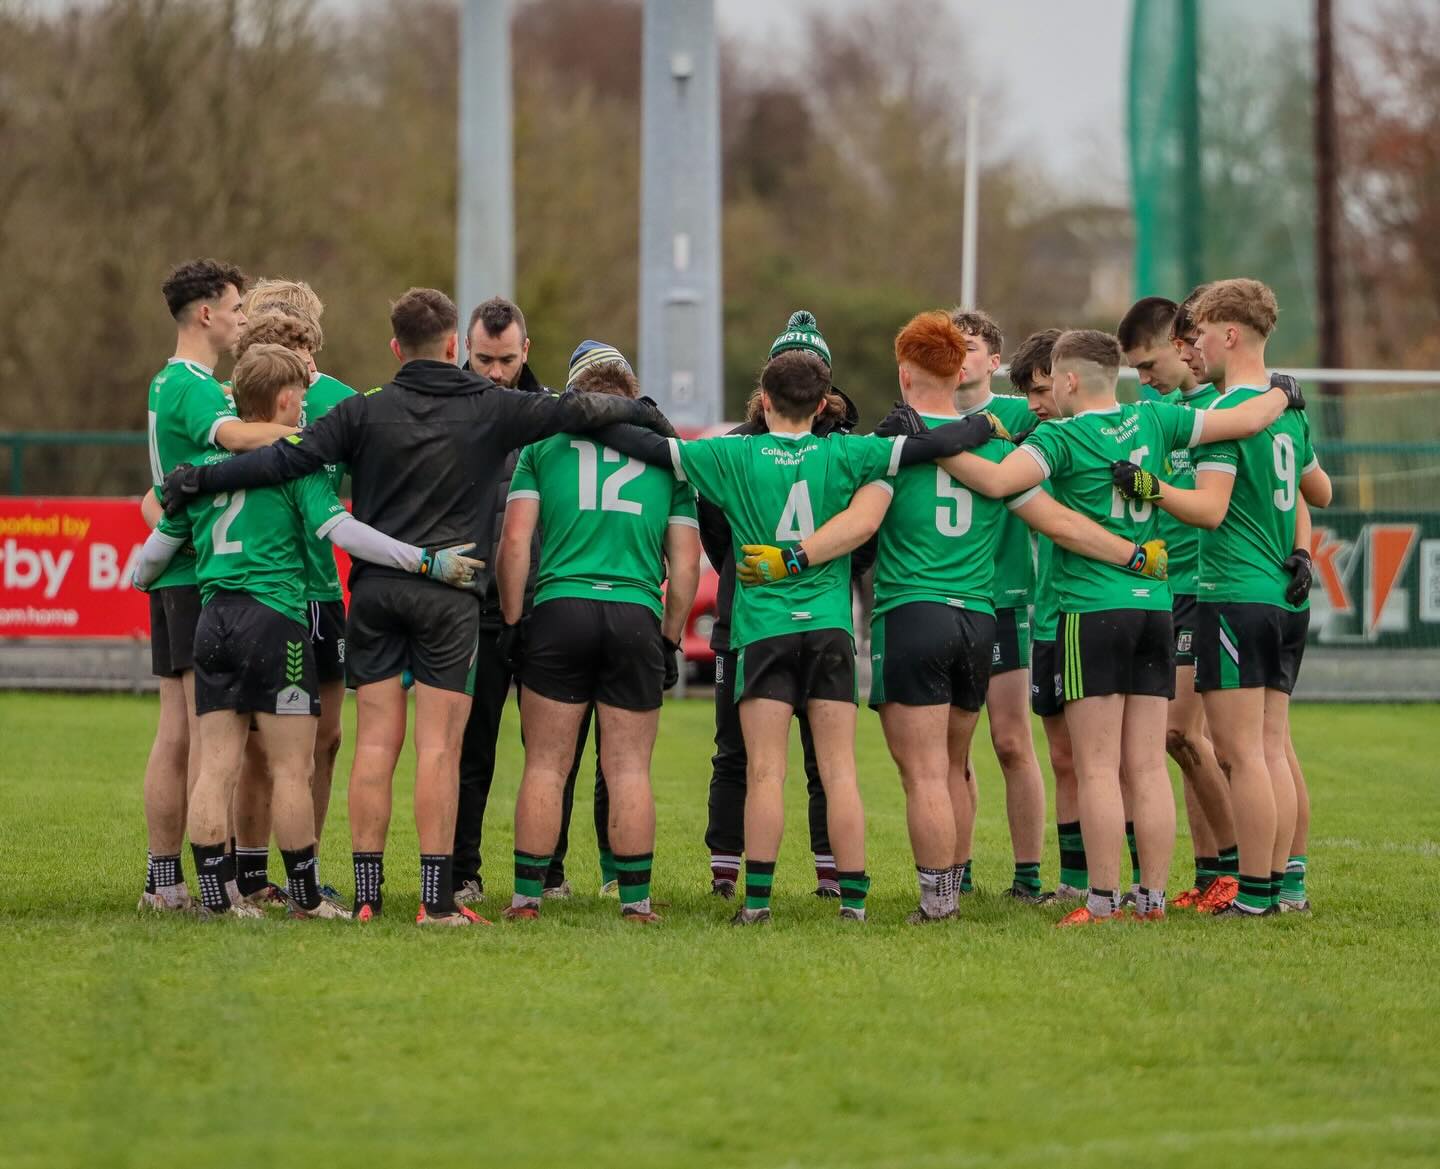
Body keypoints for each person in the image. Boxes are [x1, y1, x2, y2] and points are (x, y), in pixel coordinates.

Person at [161, 287, 673, 926]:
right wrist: (652, 421)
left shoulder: (361, 410)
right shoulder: (495, 406)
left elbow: (285, 459)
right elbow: (581, 410)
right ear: (456, 346)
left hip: (375, 593)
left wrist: (198, 479)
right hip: (449, 593)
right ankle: (435, 902)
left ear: (396, 347)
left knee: (376, 745)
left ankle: (370, 896)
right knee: (439, 751)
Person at [752, 312, 1170, 923]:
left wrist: (791, 559)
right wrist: (1132, 554)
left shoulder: (896, 446)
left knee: (926, 771)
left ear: (904, 372)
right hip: (979, 619)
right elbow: (1054, 520)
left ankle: (939, 900)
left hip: (913, 612)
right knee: (955, 761)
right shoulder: (998, 444)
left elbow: (861, 523)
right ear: (960, 371)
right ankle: (991, 886)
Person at [597, 349, 1024, 924]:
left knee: (764, 772)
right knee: (839, 769)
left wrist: (609, 413)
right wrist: (977, 424)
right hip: (828, 627)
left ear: (764, 400)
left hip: (762, 629)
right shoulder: (849, 451)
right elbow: (931, 446)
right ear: (824, 405)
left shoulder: (732, 451)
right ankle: (853, 904)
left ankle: (756, 904)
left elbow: (652, 449)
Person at [940, 328, 1303, 925]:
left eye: (1054, 378)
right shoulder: (1156, 420)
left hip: (1092, 610)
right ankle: (1152, 899)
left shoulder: (1062, 435)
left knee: (1098, 768)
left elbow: (1001, 484)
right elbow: (1240, 423)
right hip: (1155, 605)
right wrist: (1282, 393)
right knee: (1146, 765)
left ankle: (1103, 901)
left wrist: (928, 442)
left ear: (1072, 380)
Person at [135, 345, 480, 917]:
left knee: (216, 762)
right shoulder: (295, 461)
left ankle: (219, 902)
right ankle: (305, 898)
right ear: (288, 400)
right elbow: (344, 533)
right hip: (276, 624)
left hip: (213, 621)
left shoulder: (198, 467)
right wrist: (424, 561)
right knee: (292, 767)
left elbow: (144, 568)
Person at [1114, 278, 1327, 917]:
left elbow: (1209, 510)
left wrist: (1149, 487)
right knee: (1269, 746)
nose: (1192, 344)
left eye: (1199, 333)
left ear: (1228, 334)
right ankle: (1285, 886)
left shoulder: (1230, 413)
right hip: (1282, 594)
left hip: (1234, 590)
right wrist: (1300, 549)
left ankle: (1251, 891)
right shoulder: (1285, 407)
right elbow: (1318, 491)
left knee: (1246, 753)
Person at [497, 342, 700, 923]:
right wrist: (668, 636)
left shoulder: (543, 446)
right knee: (629, 767)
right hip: (634, 613)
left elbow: (514, 545)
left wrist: (513, 621)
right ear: (631, 396)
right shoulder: (667, 457)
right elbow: (685, 566)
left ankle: (526, 900)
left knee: (545, 763)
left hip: (561, 609)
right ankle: (635, 901)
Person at [138, 259, 297, 912]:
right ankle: (201, 883)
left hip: (177, 571)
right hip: (193, 574)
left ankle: (166, 879)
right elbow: (236, 438)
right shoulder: (194, 387)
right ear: (206, 313)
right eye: (234, 307)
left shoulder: (164, 383)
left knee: (180, 730)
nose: (240, 320)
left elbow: (157, 493)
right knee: (197, 738)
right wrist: (306, 435)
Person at [697, 311, 853, 900]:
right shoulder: (742, 447)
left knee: (818, 760)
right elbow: (719, 532)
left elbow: (861, 538)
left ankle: (829, 872)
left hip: (777, 615)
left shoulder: (836, 445)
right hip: (751, 617)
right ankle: (725, 869)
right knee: (734, 751)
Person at [453, 297, 599, 906]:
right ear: (465, 347)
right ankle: (462, 870)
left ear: (526, 351)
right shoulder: (450, 410)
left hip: (545, 601)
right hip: (469, 603)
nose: (493, 372)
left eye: (505, 360)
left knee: (553, 749)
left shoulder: (553, 417)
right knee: (469, 748)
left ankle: (550, 869)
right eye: (483, 359)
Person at [1118, 295, 1239, 910]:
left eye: (1147, 365)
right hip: (1170, 590)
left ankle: (1244, 871)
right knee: (1183, 738)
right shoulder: (1161, 413)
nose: (1144, 380)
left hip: (1214, 588)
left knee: (1190, 734)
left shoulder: (1224, 408)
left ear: (1181, 341)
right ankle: (1214, 871)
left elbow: (1297, 480)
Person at [949, 309, 1049, 900]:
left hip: (1005, 600)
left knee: (1011, 741)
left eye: (969, 347)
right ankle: (955, 868)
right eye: (949, 347)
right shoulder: (923, 417)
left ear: (993, 361)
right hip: (942, 602)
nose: (958, 357)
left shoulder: (1019, 416)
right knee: (951, 749)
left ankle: (1028, 875)